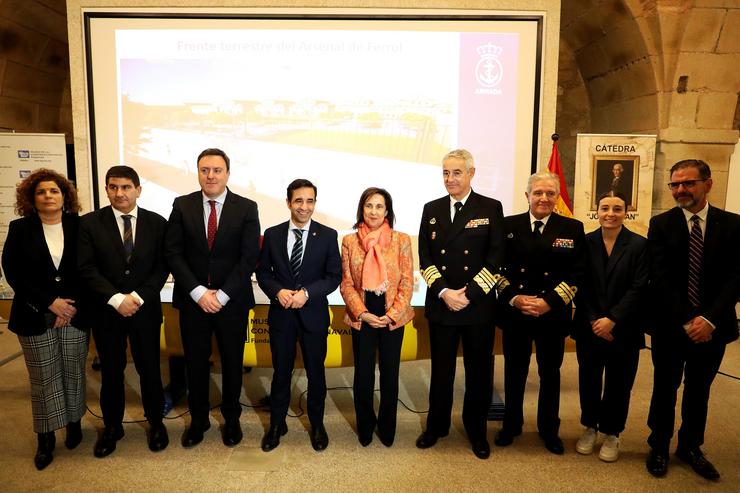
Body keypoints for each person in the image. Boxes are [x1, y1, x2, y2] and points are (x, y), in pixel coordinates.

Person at [645, 159, 739, 480]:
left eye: (688, 183)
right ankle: (658, 444)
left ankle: (690, 447)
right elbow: (660, 277)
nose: (680, 190)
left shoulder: (733, 225)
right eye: (675, 184)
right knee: (664, 387)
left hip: (713, 329)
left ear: (707, 184)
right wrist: (688, 319)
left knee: (699, 390)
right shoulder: (660, 224)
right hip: (670, 325)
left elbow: (736, 278)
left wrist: (709, 319)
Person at [165, 148, 260, 448]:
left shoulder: (246, 207)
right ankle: (199, 420)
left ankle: (232, 420)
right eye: (205, 169)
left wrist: (221, 294)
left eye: (217, 170)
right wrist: (198, 292)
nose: (210, 175)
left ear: (228, 174)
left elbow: (249, 257)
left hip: (231, 302)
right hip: (193, 301)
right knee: (195, 364)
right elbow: (173, 252)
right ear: (198, 173)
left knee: (233, 364)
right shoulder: (182, 205)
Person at [415, 149, 505, 460]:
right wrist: (444, 292)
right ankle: (435, 426)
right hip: (443, 304)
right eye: (445, 173)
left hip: (476, 306)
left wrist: (468, 295)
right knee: (441, 372)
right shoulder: (432, 208)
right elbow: (425, 257)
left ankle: (477, 430)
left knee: (478, 373)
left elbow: (496, 258)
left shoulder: (490, 208)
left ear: (471, 174)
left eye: (456, 173)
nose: (450, 179)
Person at [77, 165, 169, 457]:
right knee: (112, 372)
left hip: (145, 310)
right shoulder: (89, 223)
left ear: (138, 190)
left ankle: (156, 424)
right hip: (107, 312)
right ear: (106, 190)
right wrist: (116, 298)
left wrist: (138, 297)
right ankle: (113, 428)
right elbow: (86, 268)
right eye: (113, 187)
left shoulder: (158, 223)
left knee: (150, 371)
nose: (120, 193)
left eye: (126, 187)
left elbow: (162, 266)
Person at [1, 168, 89, 470]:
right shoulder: (19, 228)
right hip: (34, 314)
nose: (48, 196)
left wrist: (68, 307)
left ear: (64, 196)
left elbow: (89, 268)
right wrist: (50, 304)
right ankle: (46, 436)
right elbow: (13, 272)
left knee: (73, 372)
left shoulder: (81, 226)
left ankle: (74, 423)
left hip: (75, 313)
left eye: (54, 191)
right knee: (43, 378)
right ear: (31, 198)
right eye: (41, 192)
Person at [495, 171, 586, 455]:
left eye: (550, 193)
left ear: (557, 197)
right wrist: (514, 298)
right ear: (527, 196)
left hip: (552, 313)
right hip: (516, 312)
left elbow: (578, 274)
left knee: (550, 374)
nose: (543, 198)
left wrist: (549, 302)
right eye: (538, 193)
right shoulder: (508, 226)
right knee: (515, 371)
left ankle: (549, 429)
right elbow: (497, 270)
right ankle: (511, 425)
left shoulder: (572, 228)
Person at [256, 179, 341, 452]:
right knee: (281, 372)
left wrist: (306, 293)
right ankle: (276, 425)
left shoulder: (328, 235)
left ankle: (317, 424)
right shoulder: (272, 234)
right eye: (299, 201)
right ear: (288, 202)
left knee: (316, 374)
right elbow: (263, 273)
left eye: (310, 201)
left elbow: (333, 276)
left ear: (315, 203)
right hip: (281, 315)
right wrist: (277, 291)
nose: (304, 207)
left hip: (313, 314)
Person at [573, 191, 647, 462]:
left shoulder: (639, 245)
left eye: (617, 209)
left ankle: (613, 432)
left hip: (624, 328)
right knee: (589, 379)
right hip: (589, 326)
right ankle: (590, 427)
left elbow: (639, 288)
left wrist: (612, 319)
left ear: (625, 213)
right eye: (605, 208)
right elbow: (579, 283)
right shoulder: (585, 242)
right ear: (597, 211)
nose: (610, 213)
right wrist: (594, 318)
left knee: (619, 382)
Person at [340, 187, 414, 447]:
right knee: (363, 376)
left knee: (390, 375)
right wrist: (363, 313)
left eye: (379, 206)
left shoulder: (401, 240)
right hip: (363, 317)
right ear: (362, 209)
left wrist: (391, 314)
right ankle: (365, 427)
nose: (373, 211)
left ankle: (388, 427)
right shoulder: (349, 241)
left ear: (387, 211)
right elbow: (347, 284)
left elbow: (406, 282)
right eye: (369, 205)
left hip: (393, 318)